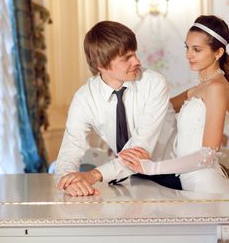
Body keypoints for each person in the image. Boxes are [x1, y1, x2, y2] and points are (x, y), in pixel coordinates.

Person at [55, 20, 181, 196]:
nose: (137, 61)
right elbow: (70, 150)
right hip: (131, 182)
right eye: (126, 58)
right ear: (101, 65)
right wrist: (69, 180)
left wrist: (93, 175)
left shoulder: (154, 84)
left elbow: (140, 150)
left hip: (174, 177)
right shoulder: (84, 98)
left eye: (134, 53)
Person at [119, 15, 229, 194]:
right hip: (188, 185)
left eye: (197, 50)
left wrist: (152, 168)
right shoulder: (197, 89)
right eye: (187, 48)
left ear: (218, 53)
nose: (189, 55)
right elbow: (161, 107)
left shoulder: (217, 88)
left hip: (207, 186)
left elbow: (208, 154)